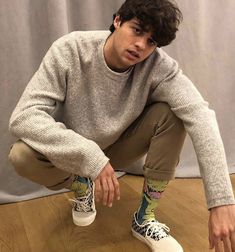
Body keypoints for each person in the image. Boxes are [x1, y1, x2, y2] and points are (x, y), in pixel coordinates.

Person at [8, 0, 235, 251]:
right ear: (118, 21)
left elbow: (201, 115)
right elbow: (24, 116)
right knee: (21, 155)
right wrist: (89, 157)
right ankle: (82, 186)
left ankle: (144, 217)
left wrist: (221, 202)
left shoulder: (159, 67)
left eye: (151, 42)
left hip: (120, 147)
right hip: (76, 150)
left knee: (173, 114)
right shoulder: (70, 49)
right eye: (137, 30)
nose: (141, 45)